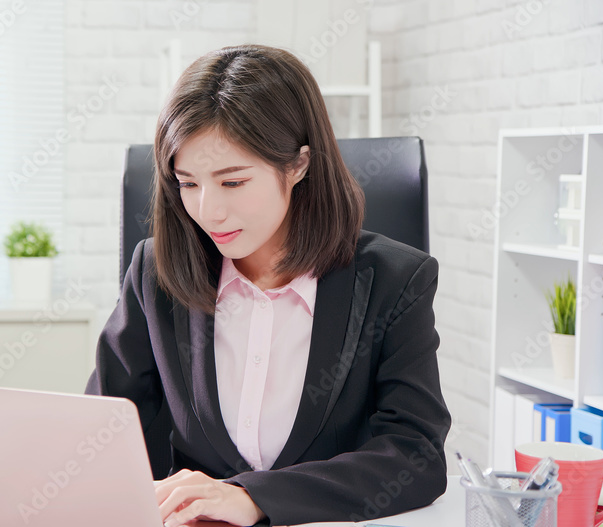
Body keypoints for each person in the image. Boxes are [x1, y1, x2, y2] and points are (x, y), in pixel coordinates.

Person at [84, 44, 451, 527]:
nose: (207, 211)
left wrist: (253, 497)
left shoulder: (395, 280)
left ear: (298, 165)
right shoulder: (156, 271)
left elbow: (415, 456)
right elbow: (104, 433)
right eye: (188, 183)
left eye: (232, 182)